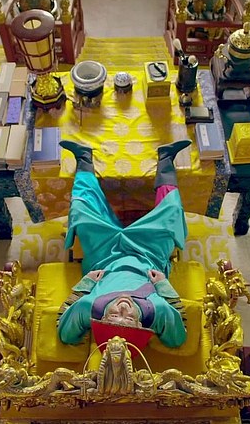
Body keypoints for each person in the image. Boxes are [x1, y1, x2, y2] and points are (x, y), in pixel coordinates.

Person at [56, 139, 192, 348]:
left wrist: (85, 285)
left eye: (113, 317)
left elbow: (65, 333)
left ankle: (84, 158)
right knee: (171, 211)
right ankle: (166, 159)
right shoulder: (156, 312)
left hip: (103, 255)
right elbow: (177, 339)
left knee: (81, 213)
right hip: (148, 254)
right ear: (140, 324)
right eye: (129, 318)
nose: (122, 309)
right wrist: (163, 285)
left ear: (102, 318)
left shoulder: (90, 307)